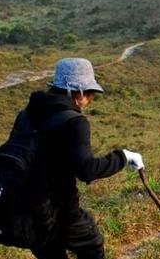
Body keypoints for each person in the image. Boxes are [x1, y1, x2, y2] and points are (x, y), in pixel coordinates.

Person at [22, 58, 144, 259]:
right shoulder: (75, 121)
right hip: (58, 209)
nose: (90, 99)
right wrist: (123, 156)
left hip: (24, 209)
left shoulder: (26, 115)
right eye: (90, 93)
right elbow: (86, 170)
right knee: (91, 244)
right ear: (77, 92)